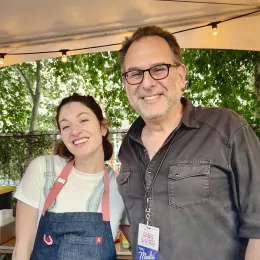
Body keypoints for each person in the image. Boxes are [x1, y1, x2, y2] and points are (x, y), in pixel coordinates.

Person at [117, 25, 260, 260]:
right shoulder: (128, 148)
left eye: (158, 69)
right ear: (125, 84)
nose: (147, 83)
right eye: (135, 73)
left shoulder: (227, 129)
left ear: (181, 75)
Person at [13, 93, 128, 260]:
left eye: (83, 120)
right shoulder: (43, 169)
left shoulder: (121, 186)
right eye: (65, 126)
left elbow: (144, 244)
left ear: (103, 127)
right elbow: (22, 248)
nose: (75, 131)